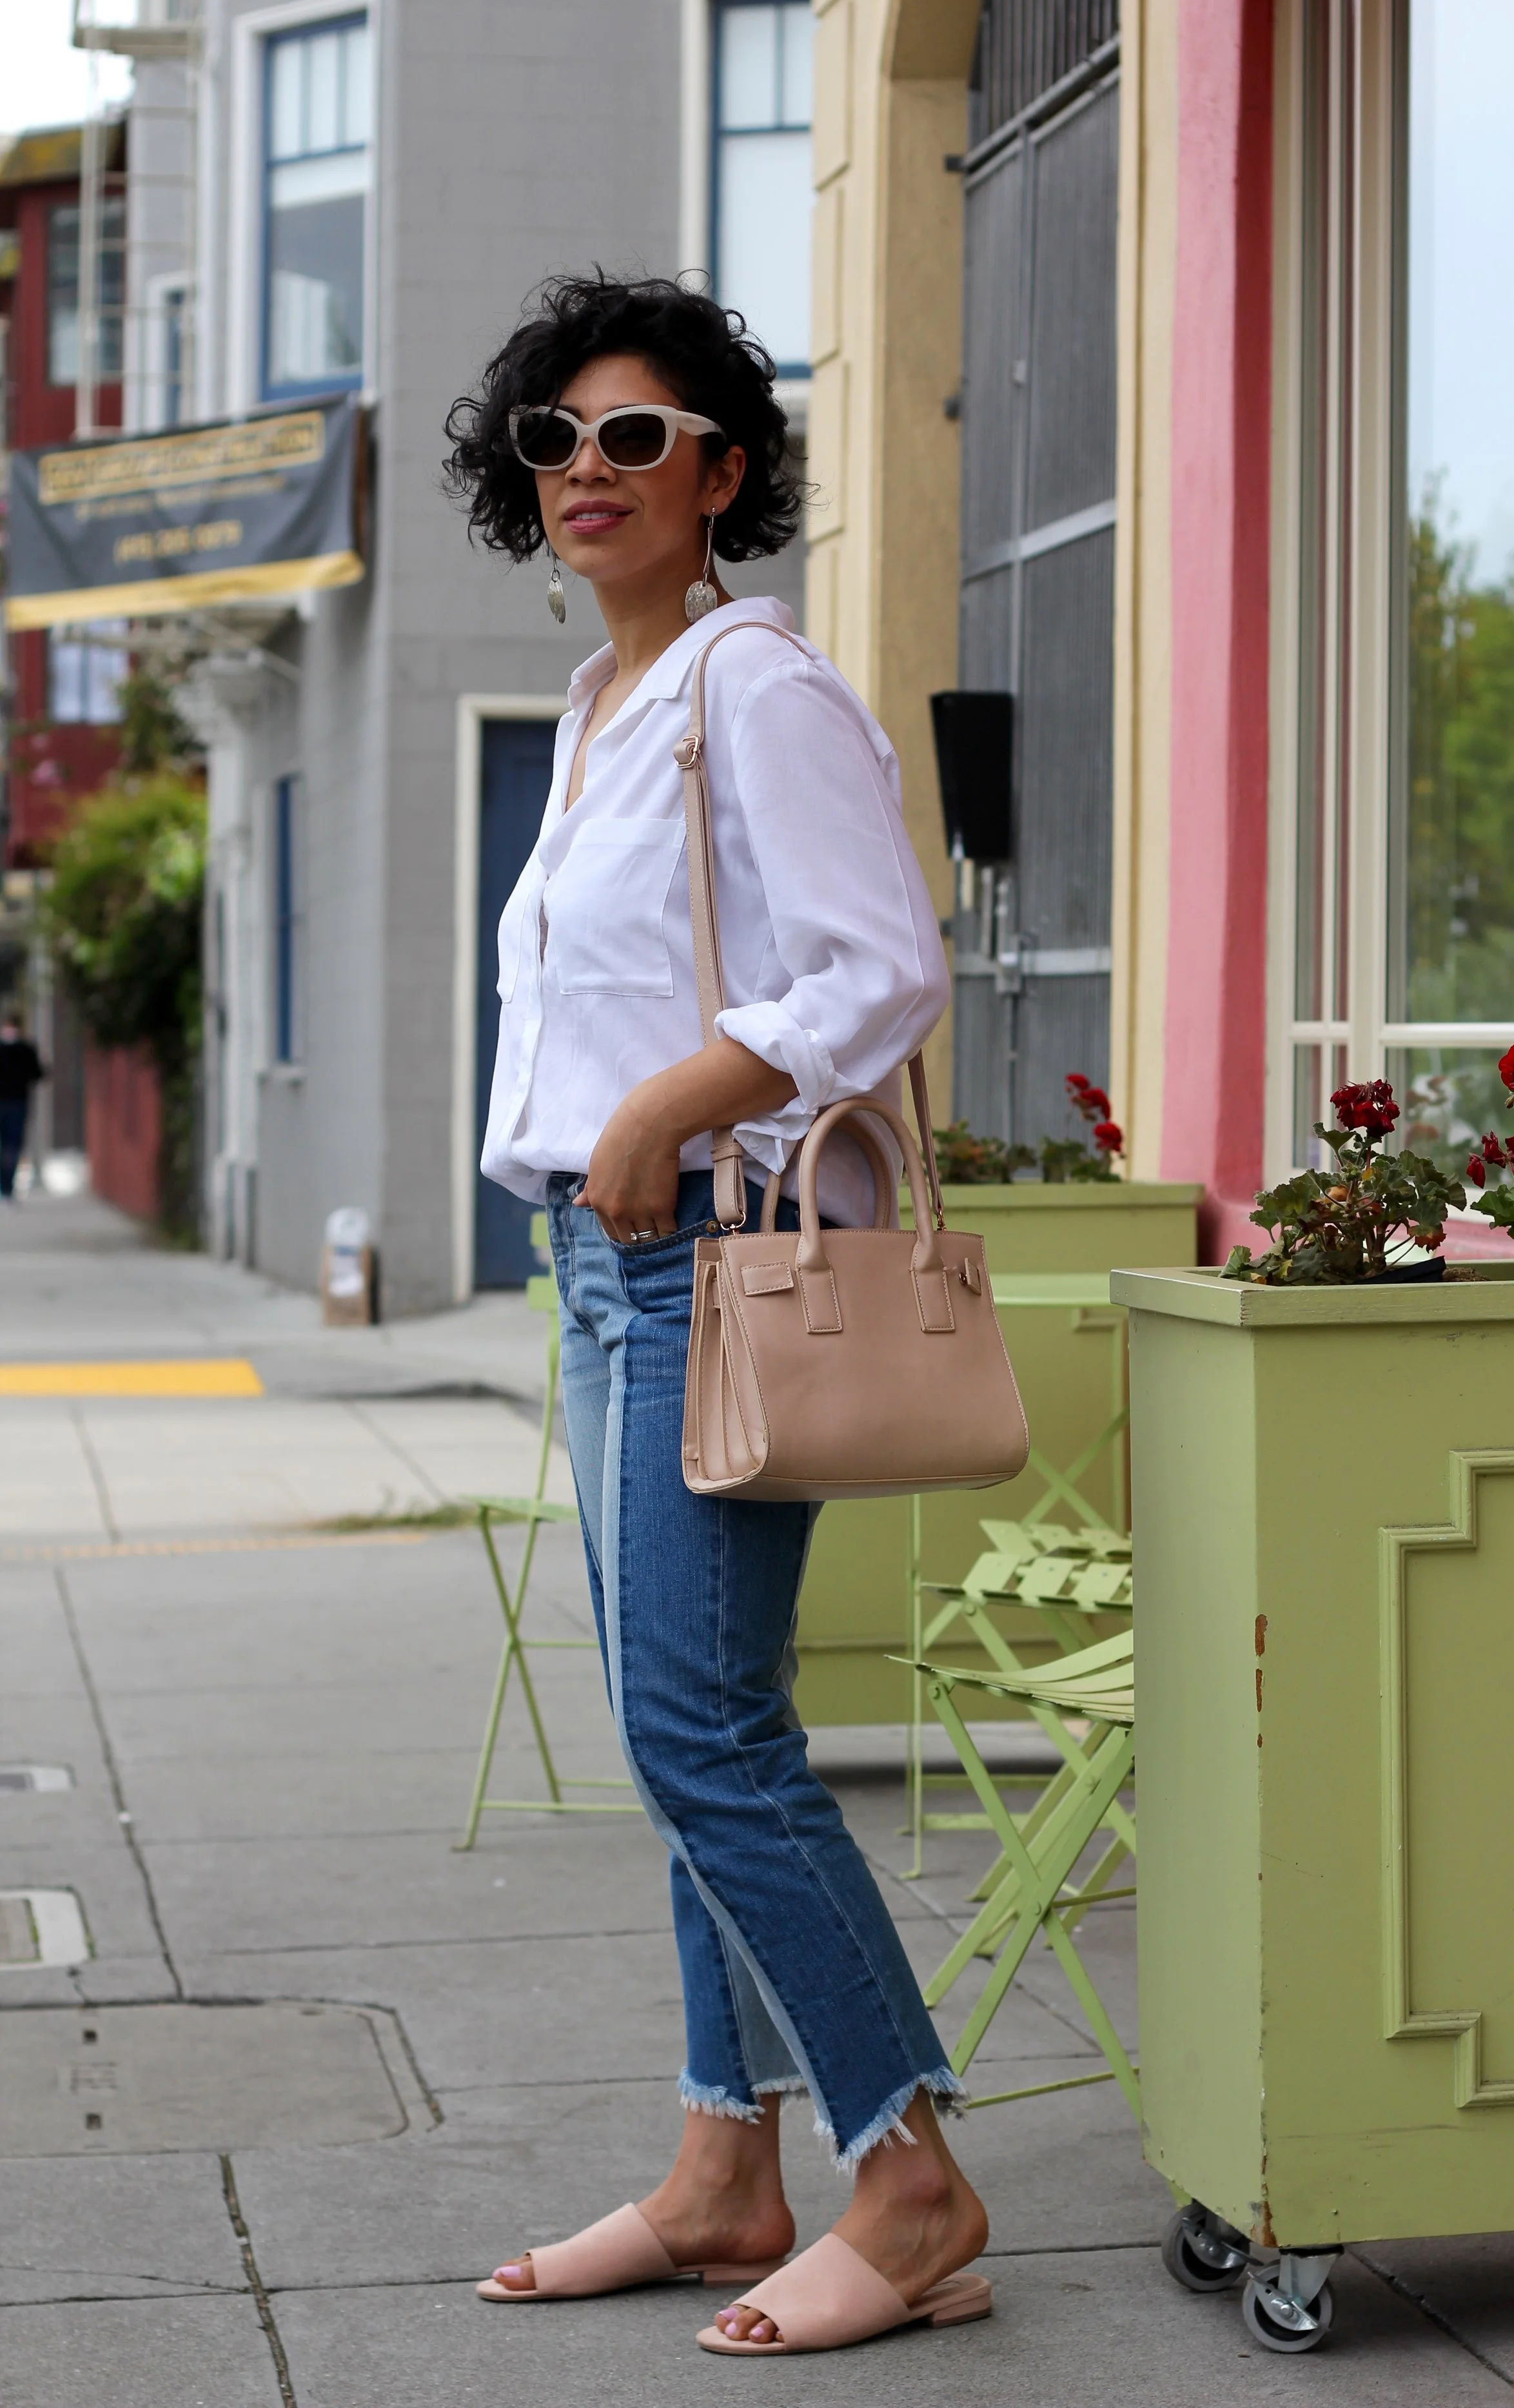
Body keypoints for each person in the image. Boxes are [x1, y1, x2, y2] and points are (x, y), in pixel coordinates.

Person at [443, 275, 990, 2358]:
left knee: (703, 1730)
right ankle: (720, 2168)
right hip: (607, 1266)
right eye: (554, 439)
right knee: (684, 1733)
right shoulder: (607, 702)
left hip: (714, 1255)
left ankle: (910, 2177)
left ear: (721, 470)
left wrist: (668, 1100)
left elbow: (879, 966)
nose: (585, 469)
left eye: (635, 437)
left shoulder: (755, 686)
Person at [0, 1013, 46, 1200]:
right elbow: (38, 1074)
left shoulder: (25, 1050)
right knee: (11, 1146)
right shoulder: (26, 1049)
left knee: (11, 1146)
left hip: (17, 1103)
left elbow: (37, 1073)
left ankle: (6, 1188)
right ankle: (6, 1188)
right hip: (17, 1103)